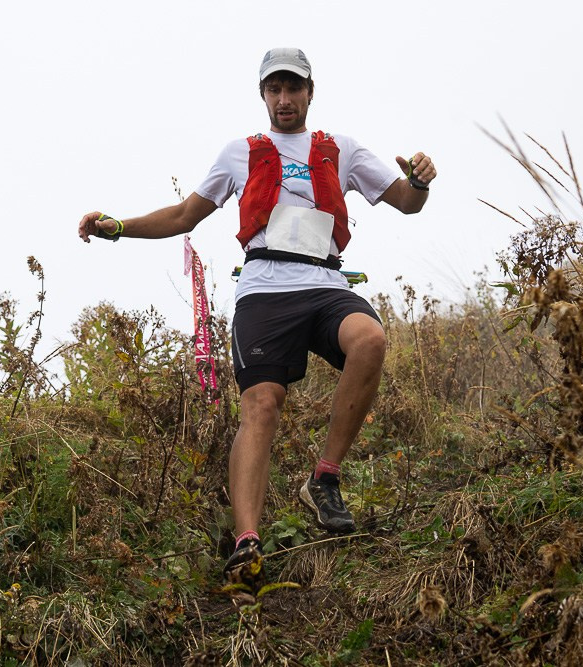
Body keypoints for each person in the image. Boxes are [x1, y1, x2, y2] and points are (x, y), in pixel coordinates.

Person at [77, 47, 437, 586]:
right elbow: (181, 216)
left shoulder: (342, 151)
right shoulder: (240, 153)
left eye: (294, 89)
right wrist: (117, 226)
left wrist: (423, 180)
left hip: (324, 282)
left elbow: (407, 202)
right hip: (265, 291)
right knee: (261, 406)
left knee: (370, 339)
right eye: (275, 89)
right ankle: (247, 544)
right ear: (263, 95)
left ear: (311, 92)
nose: (285, 99)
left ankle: (324, 479)